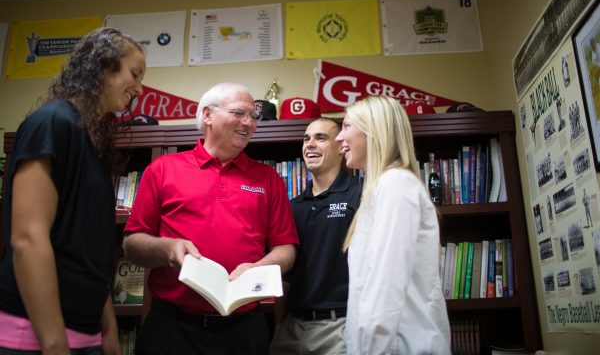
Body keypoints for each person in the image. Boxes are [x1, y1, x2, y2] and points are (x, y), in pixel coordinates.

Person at [122, 82, 298, 354]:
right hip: (173, 329)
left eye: (254, 116)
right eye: (240, 113)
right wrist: (168, 249)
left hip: (245, 330)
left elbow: (285, 249)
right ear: (207, 115)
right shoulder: (162, 169)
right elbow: (132, 245)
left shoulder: (269, 179)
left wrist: (258, 267)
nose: (249, 122)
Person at [0, 27, 146, 354]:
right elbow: (28, 239)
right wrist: (54, 344)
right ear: (105, 66)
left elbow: (90, 255)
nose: (138, 88)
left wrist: (108, 331)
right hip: (35, 338)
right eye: (134, 74)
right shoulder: (52, 122)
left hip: (85, 335)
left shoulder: (94, 143)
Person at [335, 95, 451, 355]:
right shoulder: (380, 188)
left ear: (373, 130)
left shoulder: (395, 184)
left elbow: (384, 289)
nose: (338, 138)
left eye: (346, 126)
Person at [270, 118, 362, 355]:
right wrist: (280, 326)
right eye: (306, 138)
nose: (310, 144)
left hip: (341, 327)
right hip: (291, 329)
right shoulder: (293, 207)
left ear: (341, 147)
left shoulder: (361, 195)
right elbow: (286, 279)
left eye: (320, 138)